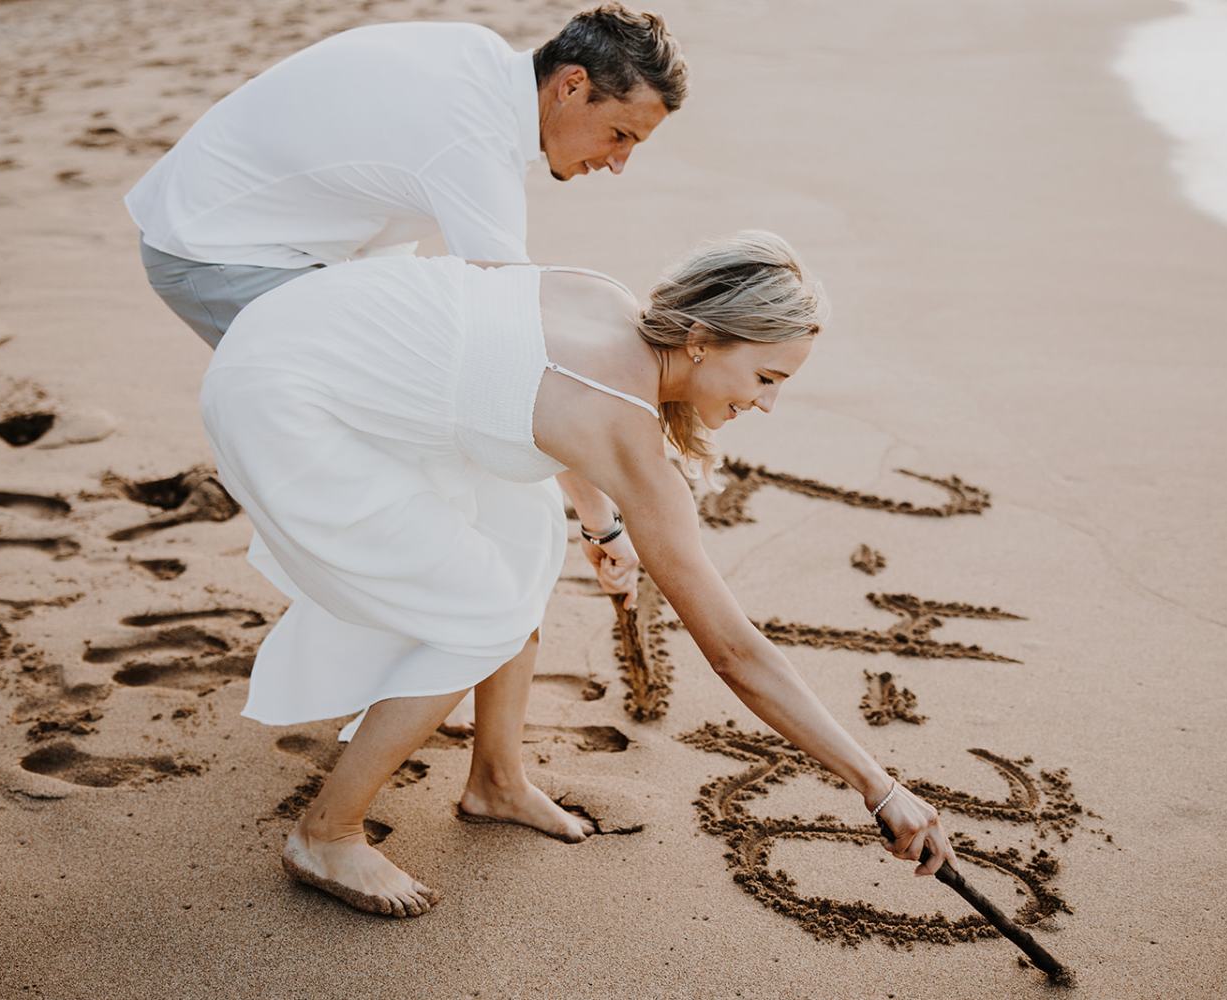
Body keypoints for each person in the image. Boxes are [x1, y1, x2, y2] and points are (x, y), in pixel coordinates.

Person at [199, 231, 960, 917]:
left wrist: (600, 525)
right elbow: (733, 651)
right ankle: (327, 832)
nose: (768, 403)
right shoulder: (622, 429)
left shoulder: (598, 293)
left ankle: (494, 779)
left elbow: (510, 379)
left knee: (527, 536)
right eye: (765, 376)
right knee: (482, 618)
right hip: (285, 403)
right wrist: (876, 784)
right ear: (699, 339)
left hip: (299, 331)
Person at [126, 3, 685, 348]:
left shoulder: (481, 54)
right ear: (570, 86)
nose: (618, 164)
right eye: (620, 135)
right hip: (214, 247)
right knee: (355, 411)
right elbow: (515, 321)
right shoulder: (474, 139)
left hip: (294, 233)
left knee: (410, 376)